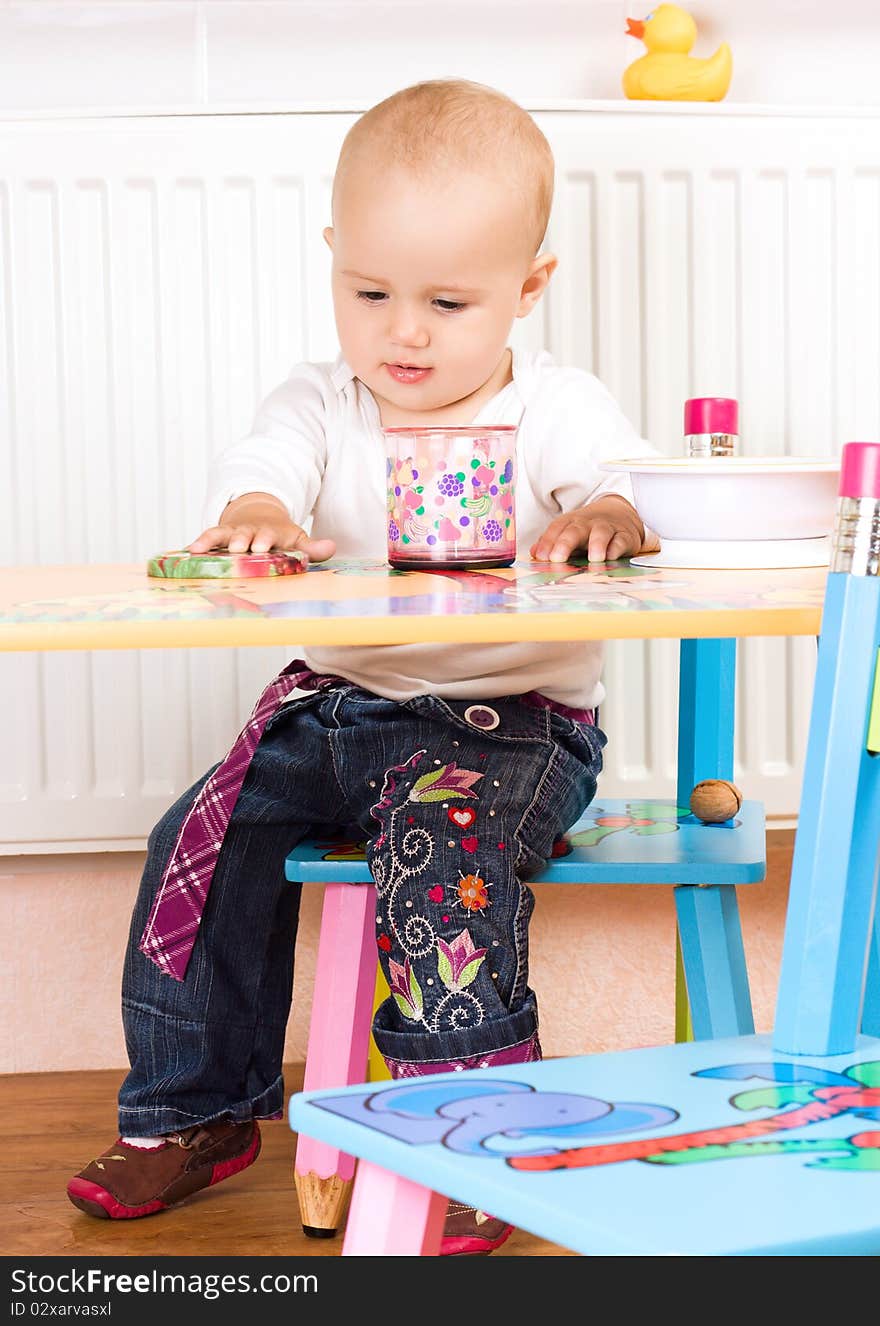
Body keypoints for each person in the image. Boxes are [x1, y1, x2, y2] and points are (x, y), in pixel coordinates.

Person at [67, 78, 659, 1255]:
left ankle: (475, 1134)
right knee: (198, 837)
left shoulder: (553, 405)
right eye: (370, 291)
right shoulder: (319, 403)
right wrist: (255, 519)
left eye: (448, 301)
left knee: (434, 862)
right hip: (338, 711)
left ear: (527, 289)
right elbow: (263, 473)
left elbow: (622, 482)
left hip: (509, 723)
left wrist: (608, 511)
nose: (404, 332)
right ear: (333, 258)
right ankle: (196, 1110)